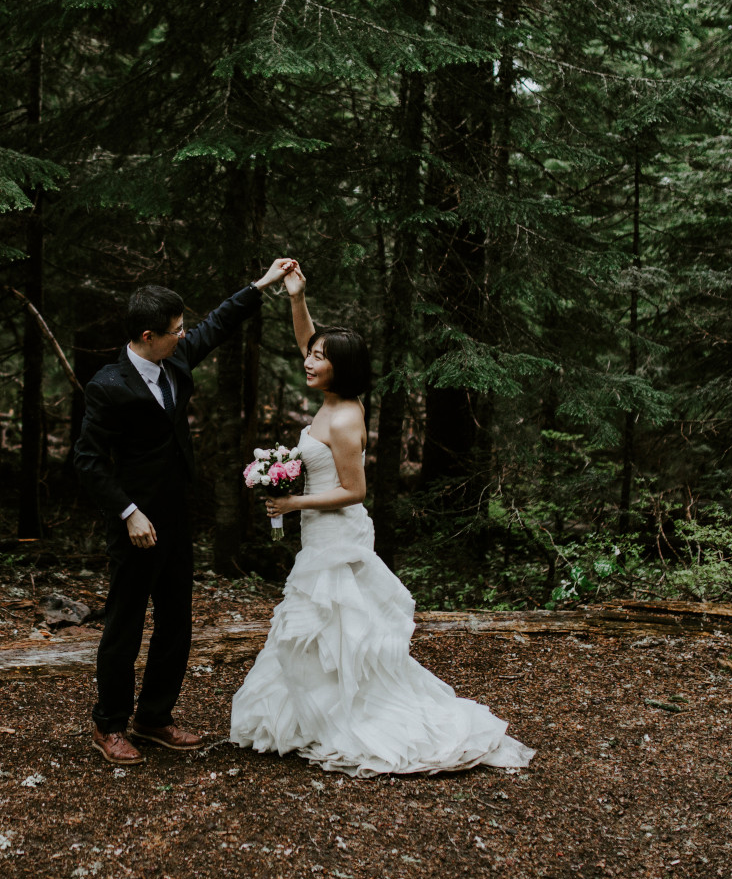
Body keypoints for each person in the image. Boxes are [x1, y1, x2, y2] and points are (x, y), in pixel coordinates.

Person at [227, 263, 534, 776]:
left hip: (336, 534)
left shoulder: (346, 418)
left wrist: (293, 504)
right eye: (312, 353)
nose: (309, 360)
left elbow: (355, 490)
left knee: (337, 625)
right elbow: (310, 342)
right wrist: (297, 298)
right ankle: (317, 715)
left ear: (339, 368)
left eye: (320, 358)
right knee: (320, 629)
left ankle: (346, 716)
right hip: (320, 535)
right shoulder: (330, 398)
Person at [74, 259, 298, 765]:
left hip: (176, 516)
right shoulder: (107, 385)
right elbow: (87, 461)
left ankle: (153, 717)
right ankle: (107, 723)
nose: (184, 336)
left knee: (177, 621)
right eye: (176, 331)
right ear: (148, 335)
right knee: (125, 625)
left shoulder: (175, 361)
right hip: (135, 524)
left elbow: (217, 324)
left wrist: (260, 284)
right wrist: (129, 512)